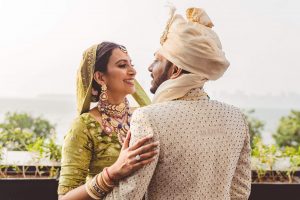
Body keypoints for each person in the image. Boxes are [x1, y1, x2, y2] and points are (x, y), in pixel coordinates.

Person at [103, 7, 251, 200]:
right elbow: (240, 193)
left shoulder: (148, 118)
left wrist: (110, 175)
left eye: (157, 60)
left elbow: (128, 196)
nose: (149, 67)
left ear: (175, 69)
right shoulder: (236, 118)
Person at [57, 42, 159, 200]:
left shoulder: (142, 117)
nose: (133, 71)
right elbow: (65, 198)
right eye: (122, 65)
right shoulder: (85, 125)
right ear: (100, 77)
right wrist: (111, 174)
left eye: (131, 64)